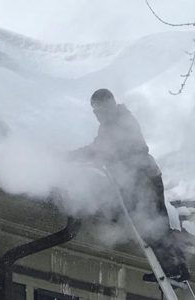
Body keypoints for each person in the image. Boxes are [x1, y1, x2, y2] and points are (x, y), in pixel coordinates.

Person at [70, 88, 189, 282]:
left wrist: (73, 157)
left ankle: (172, 268)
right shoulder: (114, 122)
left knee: (152, 224)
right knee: (156, 224)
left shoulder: (119, 122)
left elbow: (102, 150)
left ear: (108, 105)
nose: (97, 115)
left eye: (98, 110)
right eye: (95, 112)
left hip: (143, 180)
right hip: (144, 177)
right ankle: (177, 268)